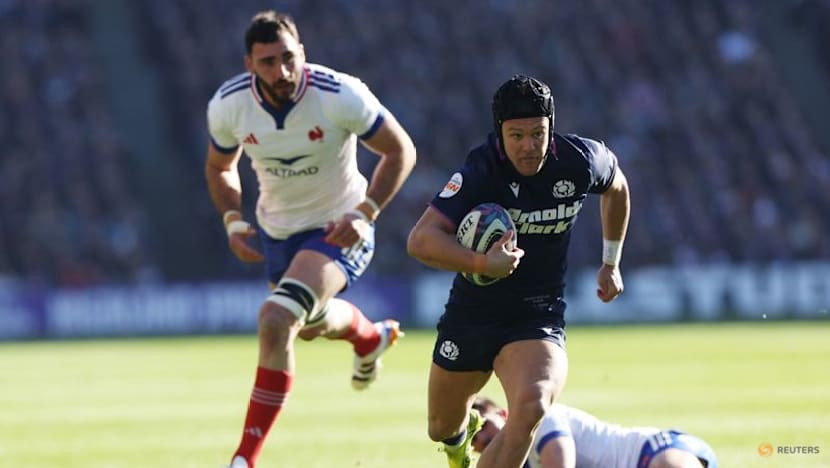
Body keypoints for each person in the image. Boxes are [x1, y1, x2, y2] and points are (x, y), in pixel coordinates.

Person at [204, 10, 416, 468]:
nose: (281, 71)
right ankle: (368, 340)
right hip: (277, 232)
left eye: (288, 58)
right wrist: (232, 219)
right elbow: (221, 166)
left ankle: (243, 459)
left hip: (340, 226)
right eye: (267, 62)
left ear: (302, 52)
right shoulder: (229, 105)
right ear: (249, 66)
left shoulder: (340, 94)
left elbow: (400, 150)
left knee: (276, 319)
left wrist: (367, 212)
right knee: (312, 325)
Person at [406, 74, 630, 468]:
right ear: (499, 134)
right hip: (472, 313)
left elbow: (618, 187)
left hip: (536, 312)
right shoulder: (481, 169)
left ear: (551, 128)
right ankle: (460, 447)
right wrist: (482, 263)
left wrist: (610, 262)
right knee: (441, 426)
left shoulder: (579, 160)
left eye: (538, 133)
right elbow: (421, 240)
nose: (529, 147)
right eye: (517, 136)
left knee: (532, 405)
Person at [471, 396, 719, 468]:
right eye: (473, 440)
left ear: (504, 414)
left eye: (482, 426)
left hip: (653, 452)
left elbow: (561, 459)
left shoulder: (542, 418)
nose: (482, 438)